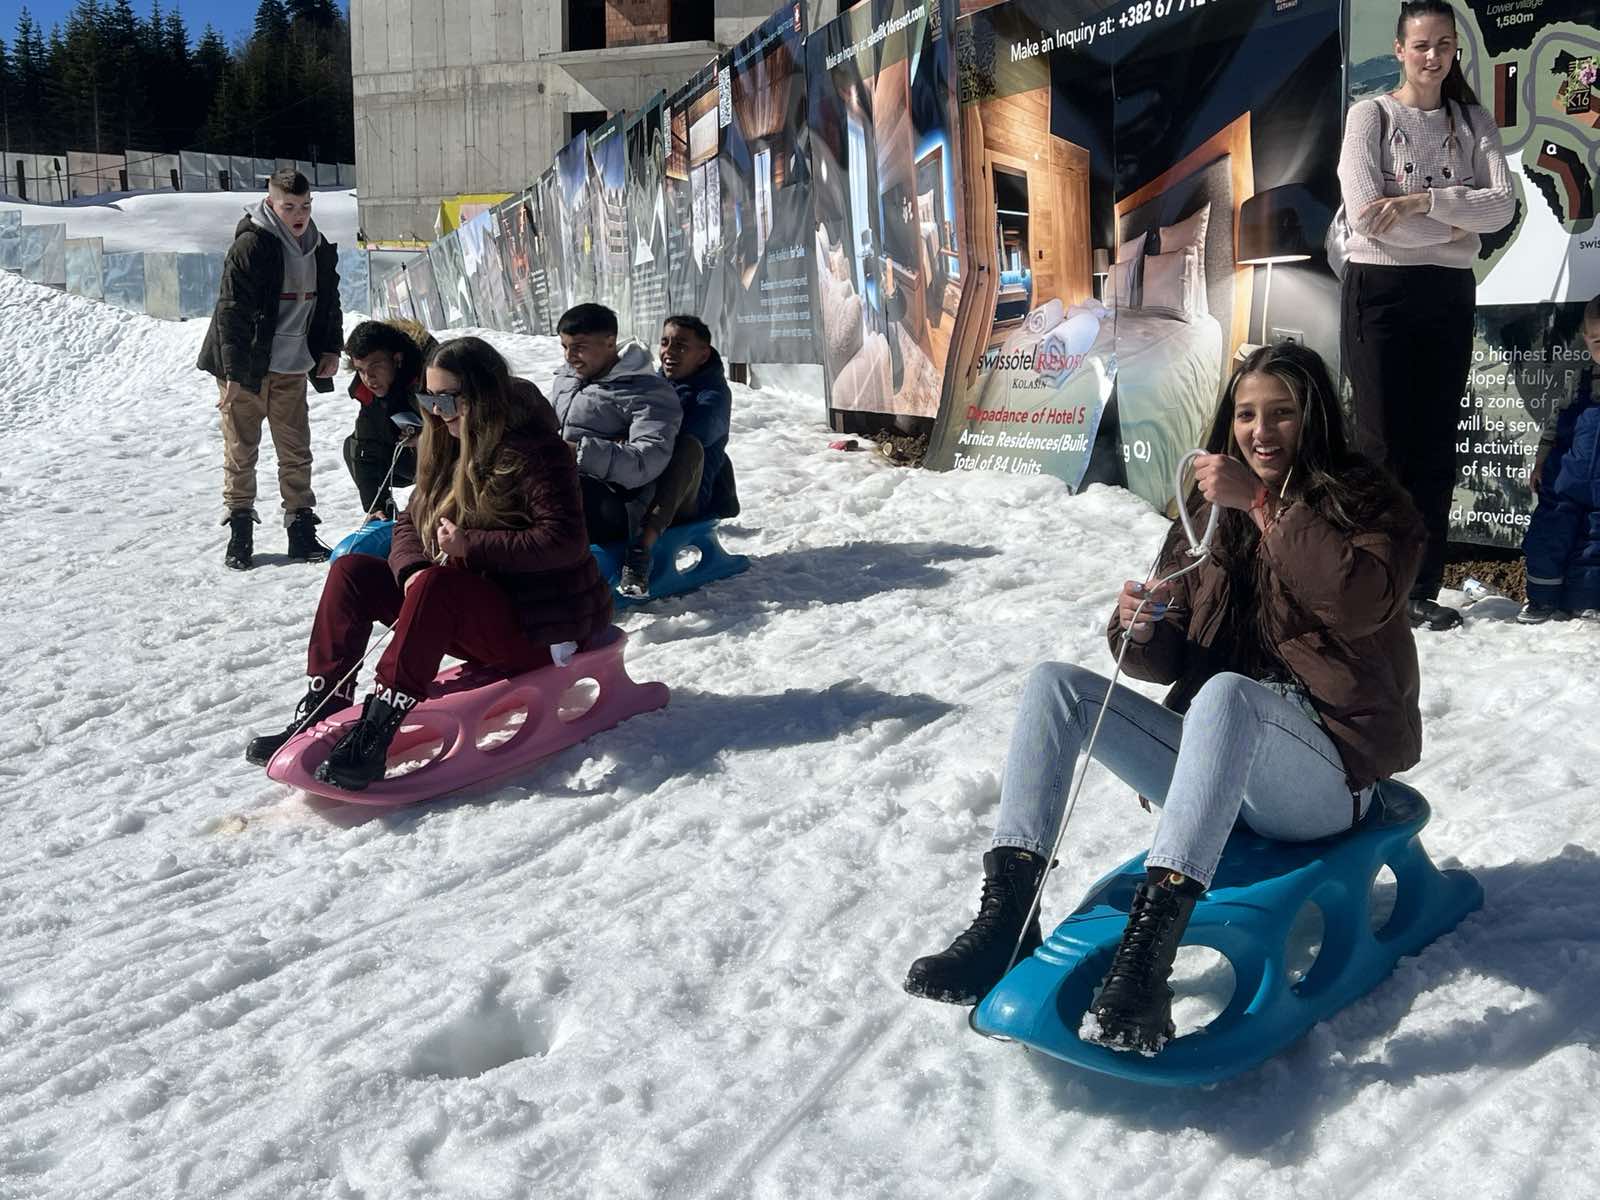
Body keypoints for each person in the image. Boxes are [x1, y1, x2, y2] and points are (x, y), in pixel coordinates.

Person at [904, 344, 1426, 1055]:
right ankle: (1008, 919)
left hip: (1326, 780)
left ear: (1317, 419)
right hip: (1221, 756)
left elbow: (1359, 602)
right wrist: (1136, 625)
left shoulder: (1369, 502)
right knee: (1056, 685)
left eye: (1282, 413)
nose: (1261, 431)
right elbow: (1159, 656)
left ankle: (1147, 960)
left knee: (1228, 696)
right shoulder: (1208, 514)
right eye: (1246, 414)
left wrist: (1267, 509)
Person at [244, 337, 613, 790]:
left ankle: (379, 728)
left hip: (538, 624)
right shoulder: (446, 444)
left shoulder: (536, 451)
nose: (436, 410)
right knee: (354, 572)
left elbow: (564, 541)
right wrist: (412, 570)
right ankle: (328, 702)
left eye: (446, 398)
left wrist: (470, 545)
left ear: (481, 394)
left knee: (439, 585)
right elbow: (408, 524)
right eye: (428, 397)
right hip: (467, 610)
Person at [1337, 0, 1514, 631]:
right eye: (1421, 44)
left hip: (1447, 290)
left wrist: (1417, 203)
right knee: (1381, 442)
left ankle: (1420, 588)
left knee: (1436, 442)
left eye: (1444, 44)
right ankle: (1373, 585)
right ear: (1399, 49)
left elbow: (1500, 211)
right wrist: (1448, 221)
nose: (1433, 55)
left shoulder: (1473, 122)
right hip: (1379, 288)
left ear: (1455, 50)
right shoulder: (1370, 116)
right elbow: (1363, 212)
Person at [197, 167, 344, 571]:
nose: (299, 214)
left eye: (306, 206)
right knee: (241, 450)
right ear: (270, 202)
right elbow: (231, 312)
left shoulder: (318, 246)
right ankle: (240, 532)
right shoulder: (252, 244)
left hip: (292, 367)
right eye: (289, 206)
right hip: (247, 367)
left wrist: (331, 347)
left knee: (296, 450)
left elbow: (328, 303)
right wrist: (230, 374)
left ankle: (300, 530)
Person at [547, 304, 685, 594]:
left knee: (554, 495)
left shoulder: (649, 392)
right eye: (565, 347)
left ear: (610, 342)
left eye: (579, 347)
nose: (570, 357)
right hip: (564, 479)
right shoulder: (568, 379)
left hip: (618, 503)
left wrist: (579, 452)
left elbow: (644, 462)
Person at [1520, 296, 1600, 623]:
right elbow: (1553, 426)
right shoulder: (1577, 381)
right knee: (1547, 536)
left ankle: (1585, 599)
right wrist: (1540, 461)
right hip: (1564, 477)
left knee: (1593, 545)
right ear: (1585, 338)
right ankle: (1541, 598)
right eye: (1599, 341)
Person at [343, 319, 437, 519]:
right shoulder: (371, 395)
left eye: (375, 366)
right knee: (353, 446)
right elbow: (365, 447)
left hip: (457, 458)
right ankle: (384, 515)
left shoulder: (434, 378)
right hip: (414, 458)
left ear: (397, 359)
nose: (368, 378)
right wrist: (375, 505)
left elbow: (468, 431)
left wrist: (426, 440)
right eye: (360, 370)